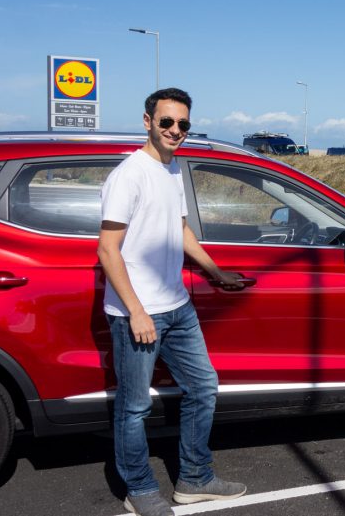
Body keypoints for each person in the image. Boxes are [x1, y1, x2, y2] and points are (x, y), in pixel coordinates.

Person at [97, 88, 246, 516]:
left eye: (183, 124)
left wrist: (215, 272)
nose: (175, 131)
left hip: (178, 307)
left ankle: (195, 479)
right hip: (137, 314)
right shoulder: (129, 175)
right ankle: (139, 489)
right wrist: (137, 311)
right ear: (147, 122)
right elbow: (108, 250)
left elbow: (180, 231)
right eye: (166, 122)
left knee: (203, 387)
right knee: (134, 406)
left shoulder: (173, 168)